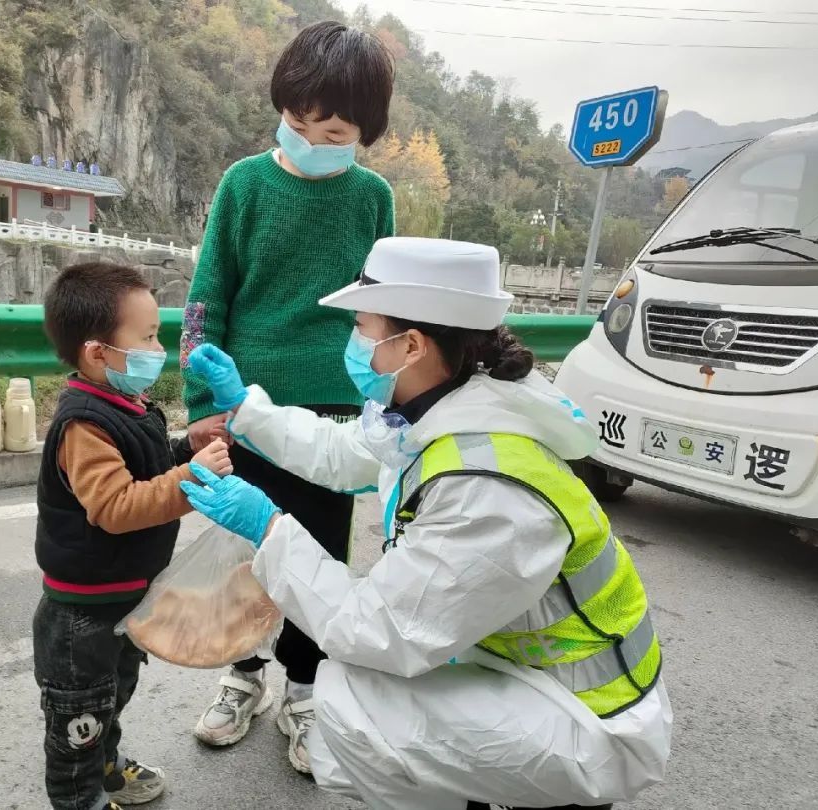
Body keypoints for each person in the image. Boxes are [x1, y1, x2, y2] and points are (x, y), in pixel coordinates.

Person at [179, 237, 673, 810]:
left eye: (363, 326)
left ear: (411, 344)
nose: (355, 342)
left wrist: (268, 529)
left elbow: (376, 632)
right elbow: (346, 452)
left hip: (588, 721)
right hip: (524, 673)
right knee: (377, 675)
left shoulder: (487, 493)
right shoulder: (450, 407)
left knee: (354, 695)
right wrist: (246, 409)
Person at [180, 20, 396, 772]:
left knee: (318, 558)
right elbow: (207, 300)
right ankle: (244, 677)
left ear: (364, 131)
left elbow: (386, 310)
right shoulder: (244, 184)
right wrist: (196, 401)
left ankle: (305, 691)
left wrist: (386, 401)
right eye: (296, 121)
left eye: (331, 128)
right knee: (247, 551)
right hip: (244, 403)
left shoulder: (372, 198)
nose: (309, 136)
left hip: (335, 411)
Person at [33, 262, 233, 810]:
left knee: (110, 697)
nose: (158, 346)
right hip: (82, 615)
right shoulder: (84, 424)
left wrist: (186, 448)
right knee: (80, 715)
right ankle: (82, 795)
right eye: (146, 337)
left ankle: (105, 764)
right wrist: (193, 477)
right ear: (98, 352)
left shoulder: (126, 406)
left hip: (120, 600)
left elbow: (145, 468)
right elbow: (117, 506)